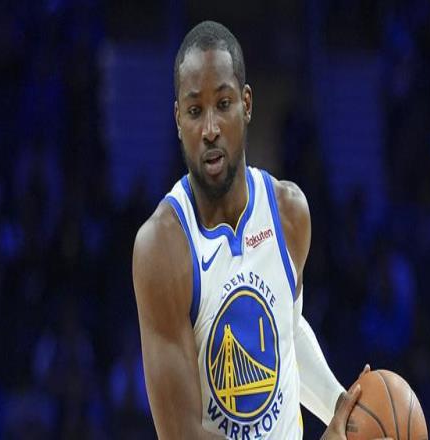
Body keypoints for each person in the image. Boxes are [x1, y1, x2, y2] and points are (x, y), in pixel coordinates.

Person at [133, 20, 379, 439]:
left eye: (223, 104)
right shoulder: (162, 247)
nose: (210, 129)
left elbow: (287, 331)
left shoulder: (289, 212)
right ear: (177, 120)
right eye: (195, 111)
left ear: (246, 104)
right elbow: (181, 434)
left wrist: (344, 409)